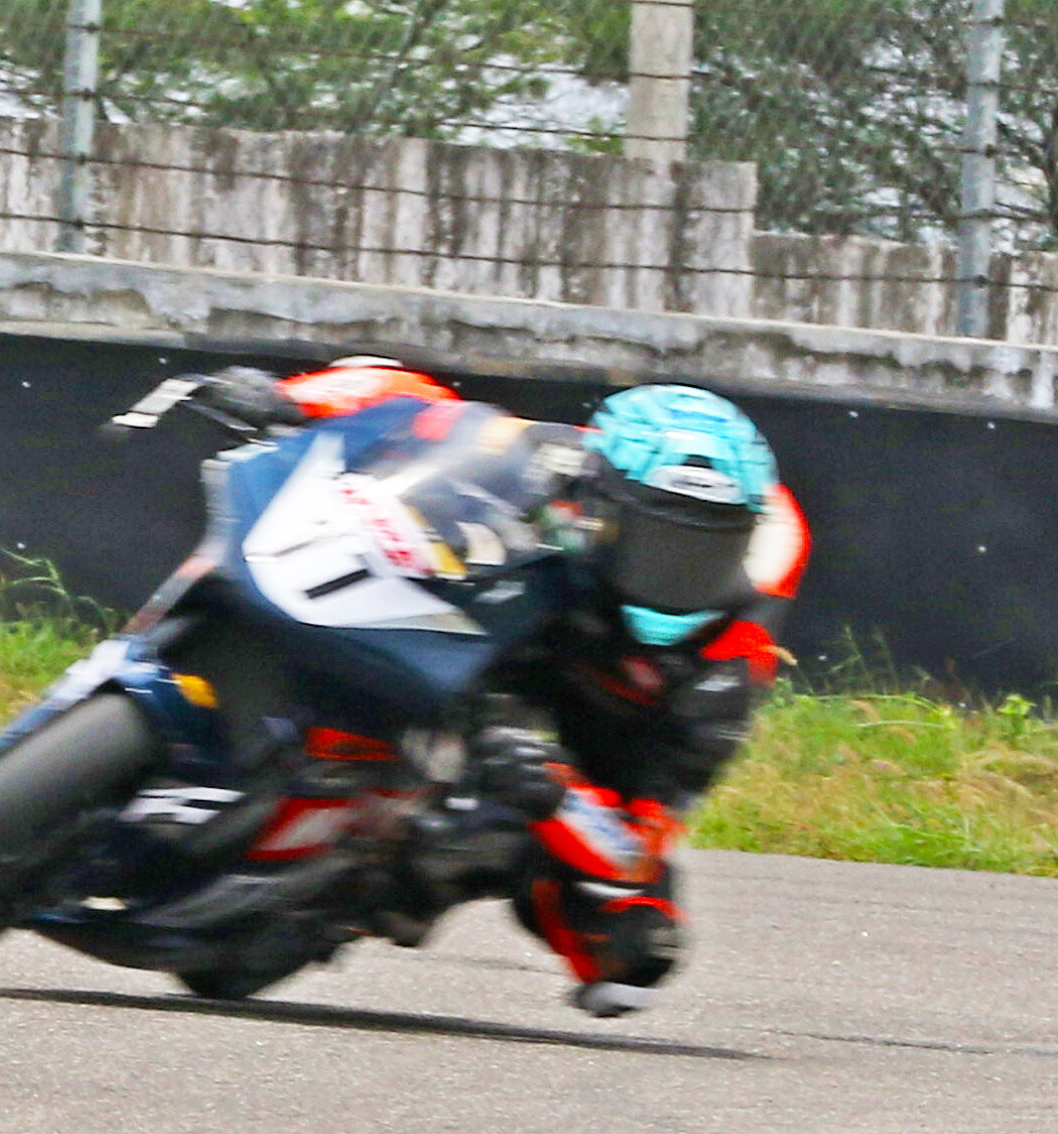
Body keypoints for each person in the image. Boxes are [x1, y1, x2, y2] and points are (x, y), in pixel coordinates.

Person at [179, 359, 811, 1017]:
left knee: (638, 941)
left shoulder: (721, 672)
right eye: (662, 542)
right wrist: (294, 399)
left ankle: (349, 893)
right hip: (514, 634)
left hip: (585, 750)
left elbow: (639, 843)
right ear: (603, 505)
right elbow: (412, 400)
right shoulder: (558, 467)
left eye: (704, 555)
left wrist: (554, 791)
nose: (678, 576)